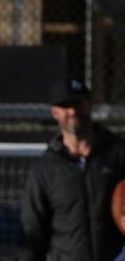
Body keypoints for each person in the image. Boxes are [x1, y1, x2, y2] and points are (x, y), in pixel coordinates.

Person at [21, 79, 125, 261]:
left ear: (89, 106)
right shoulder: (45, 169)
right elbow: (33, 231)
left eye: (78, 104)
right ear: (54, 112)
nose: (73, 111)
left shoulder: (117, 155)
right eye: (66, 106)